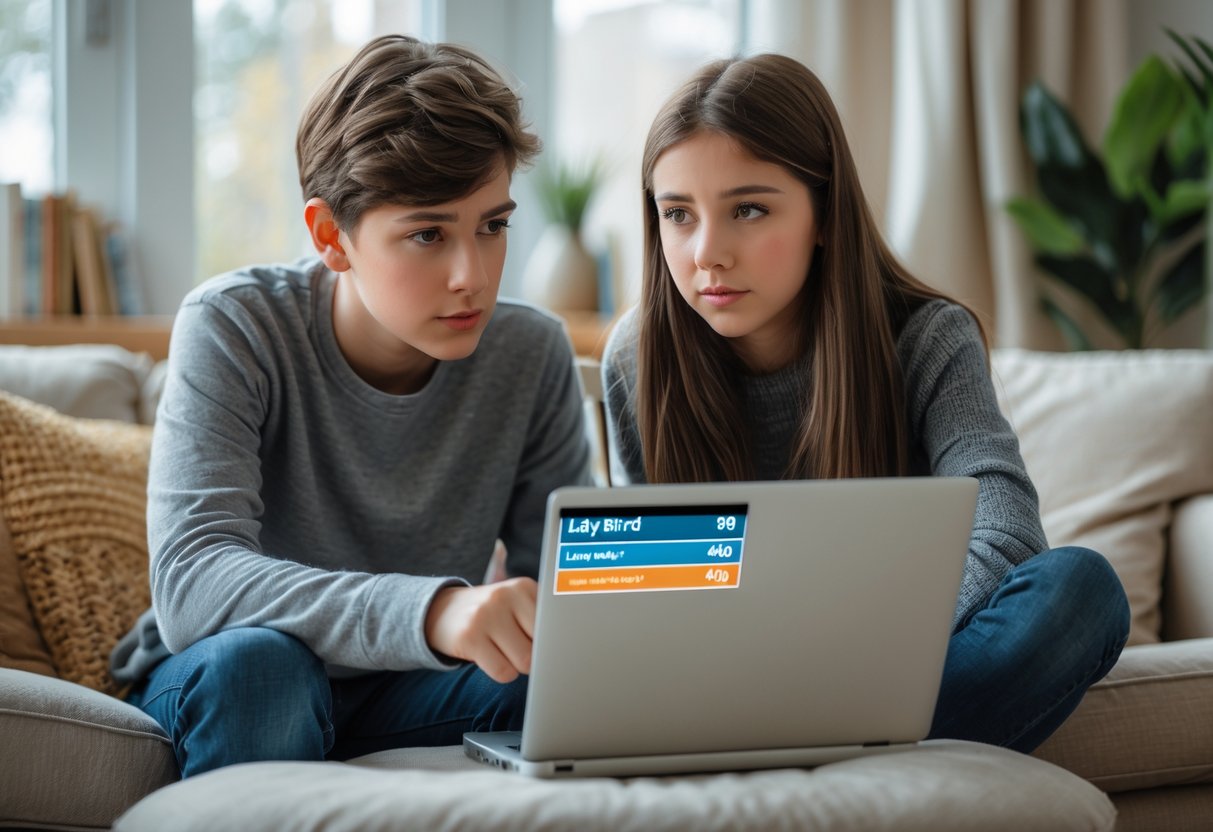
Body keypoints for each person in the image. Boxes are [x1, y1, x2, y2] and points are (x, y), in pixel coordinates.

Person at [601, 53, 1129, 753]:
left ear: (824, 213)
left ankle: (799, 752)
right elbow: (656, 599)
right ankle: (845, 755)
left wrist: (836, 656)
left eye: (748, 209)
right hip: (728, 686)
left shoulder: (925, 337)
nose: (706, 253)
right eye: (677, 214)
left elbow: (1005, 533)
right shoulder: (638, 358)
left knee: (1078, 591)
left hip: (886, 664)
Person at [109, 35, 591, 778]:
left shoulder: (531, 352)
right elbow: (194, 582)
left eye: (492, 226)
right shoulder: (234, 324)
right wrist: (434, 613)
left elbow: (567, 603)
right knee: (262, 668)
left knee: (559, 681)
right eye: (427, 233)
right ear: (331, 236)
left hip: (410, 690)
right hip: (233, 674)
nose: (473, 275)